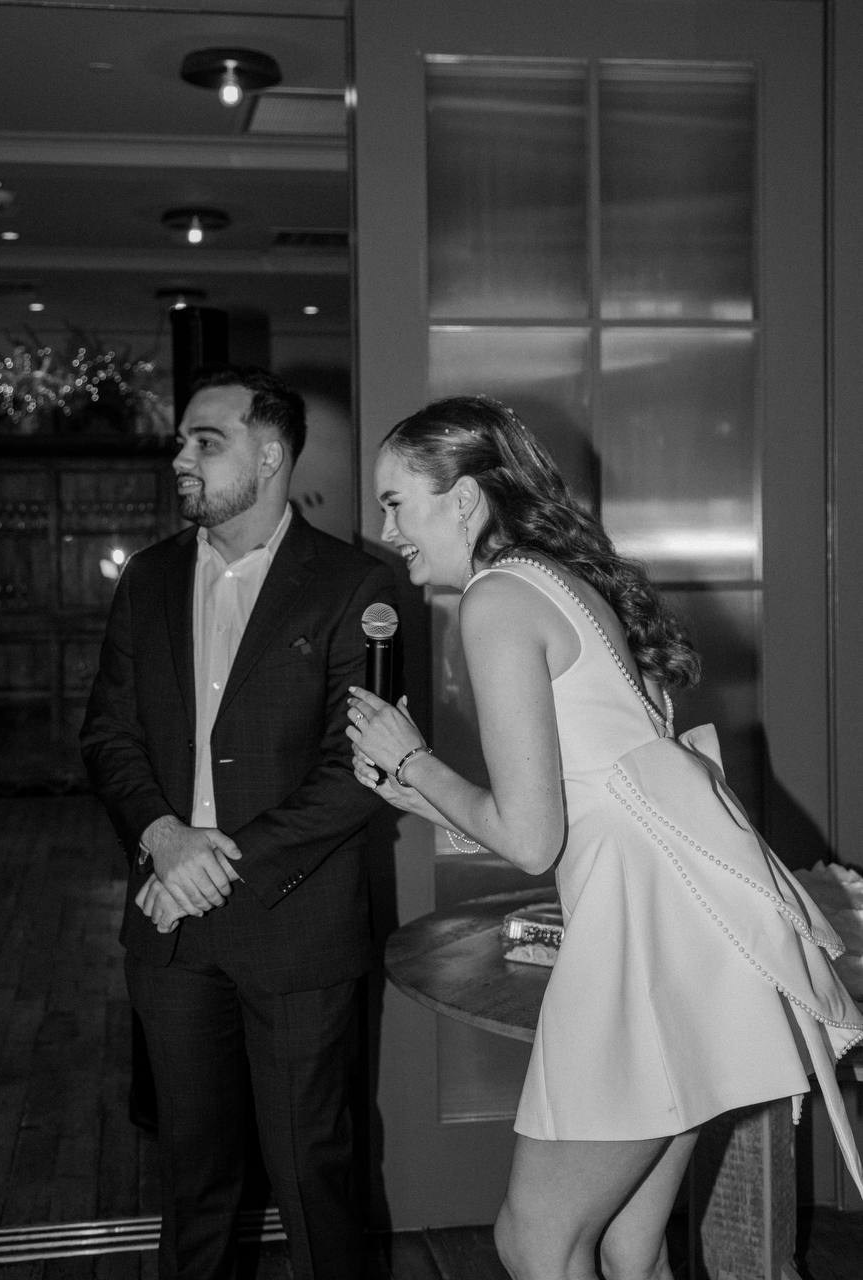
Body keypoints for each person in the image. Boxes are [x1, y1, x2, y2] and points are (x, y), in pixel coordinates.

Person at [345, 395, 863, 1280]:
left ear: (463, 500)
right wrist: (414, 788)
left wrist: (415, 760)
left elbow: (531, 840)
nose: (386, 529)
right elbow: (587, 794)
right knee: (626, 1243)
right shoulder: (561, 582)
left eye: (396, 502)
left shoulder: (496, 600)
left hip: (642, 944)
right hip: (687, 931)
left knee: (535, 1242)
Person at [80, 366, 396, 1280]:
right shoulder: (148, 578)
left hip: (297, 929)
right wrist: (163, 839)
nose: (181, 458)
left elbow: (362, 770)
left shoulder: (353, 585)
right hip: (171, 933)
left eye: (205, 442)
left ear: (268, 456)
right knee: (193, 1181)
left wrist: (215, 863)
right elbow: (107, 735)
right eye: (181, 441)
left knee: (313, 1175)